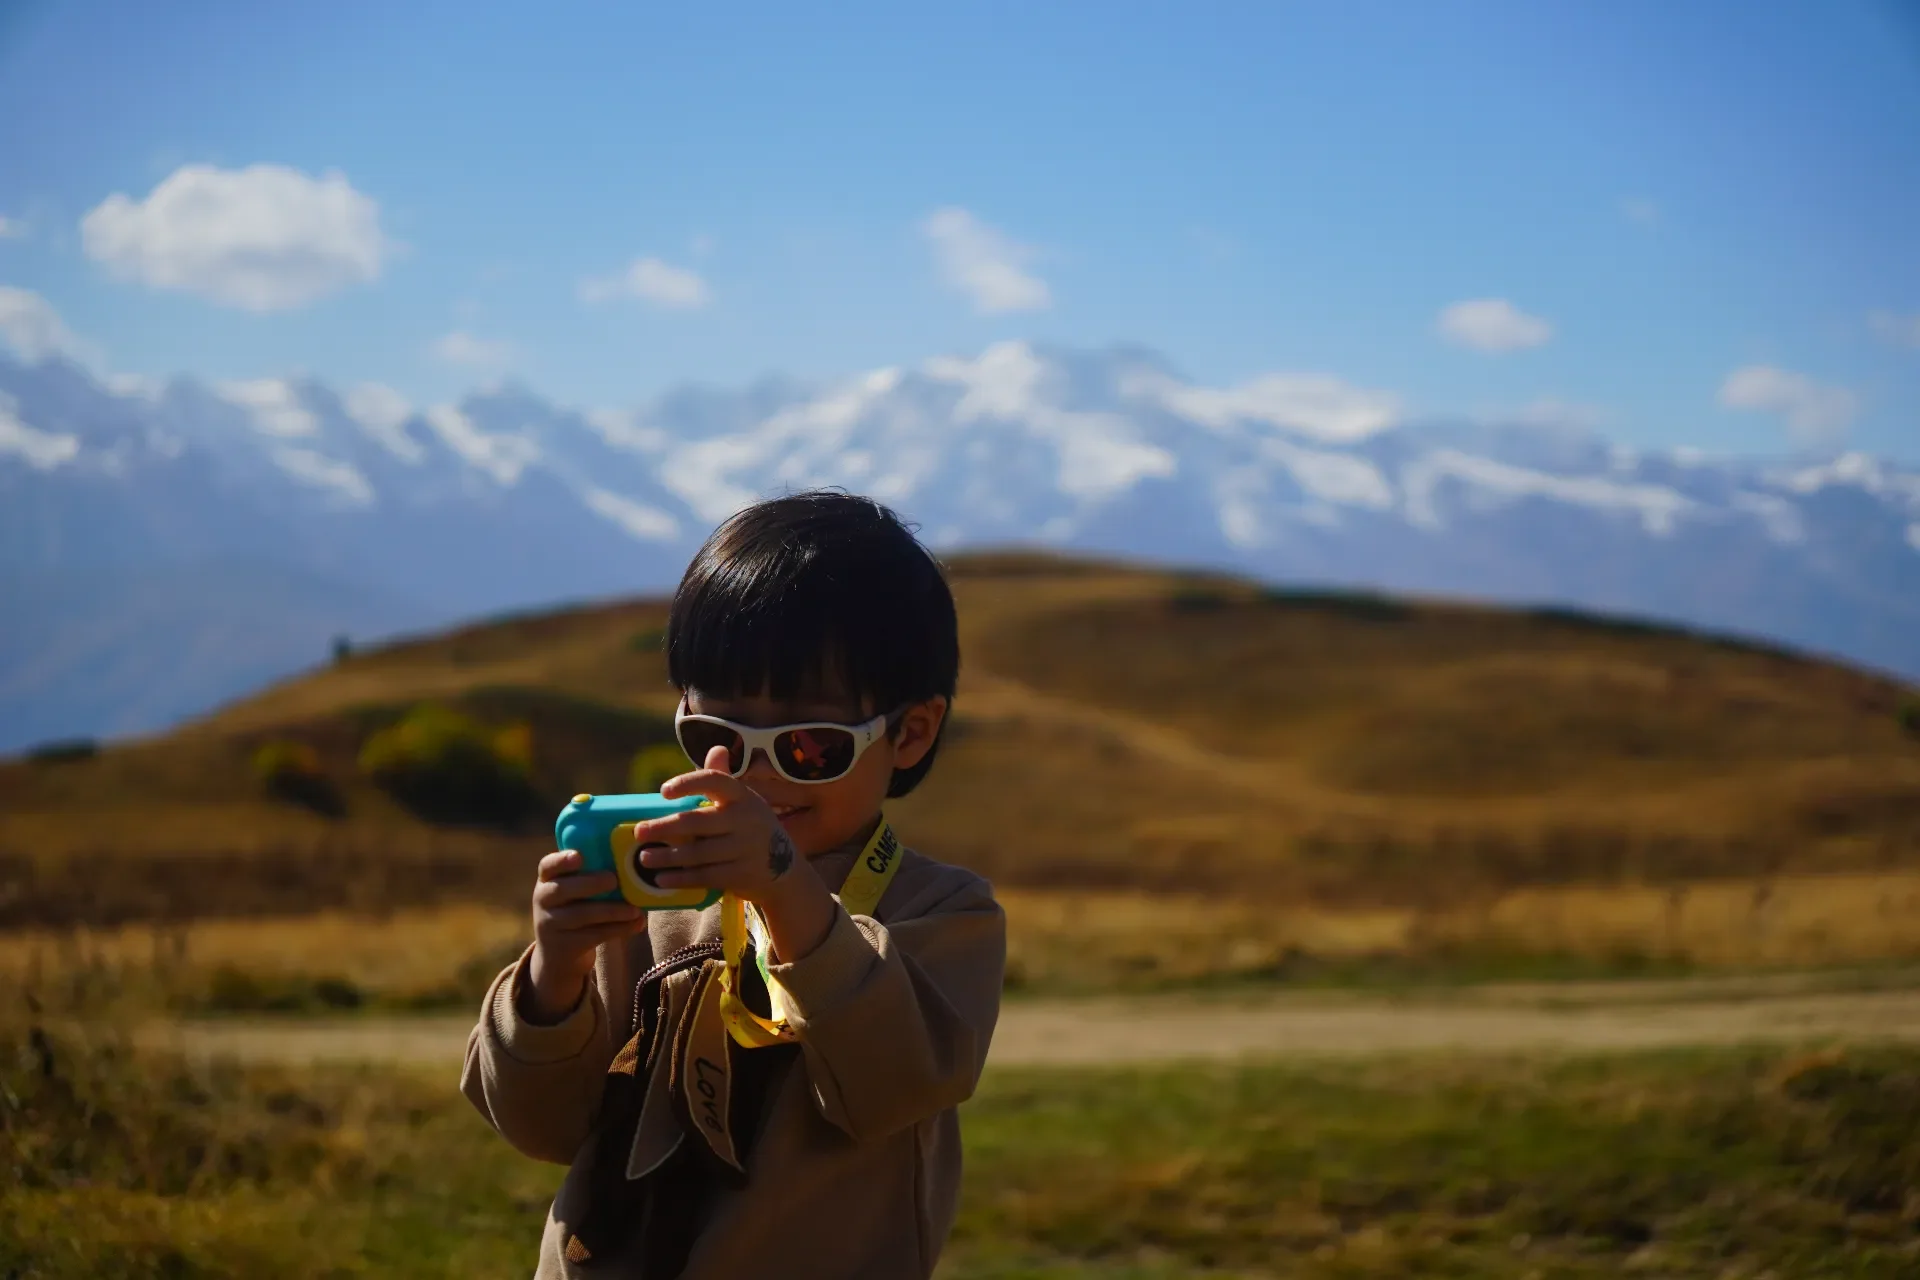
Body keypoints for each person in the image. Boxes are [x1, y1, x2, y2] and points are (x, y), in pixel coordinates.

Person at [462, 490, 1007, 1279]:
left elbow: (892, 1084)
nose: (753, 775)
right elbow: (541, 1128)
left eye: (808, 749)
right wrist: (554, 978)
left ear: (910, 733)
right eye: (716, 736)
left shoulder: (942, 915)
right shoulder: (650, 902)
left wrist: (782, 886)